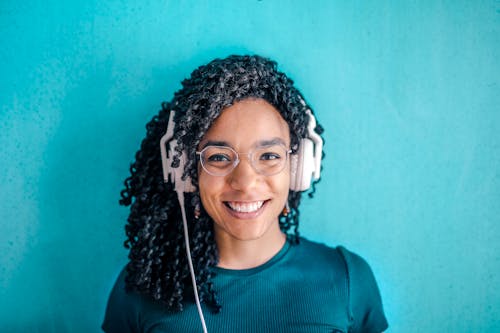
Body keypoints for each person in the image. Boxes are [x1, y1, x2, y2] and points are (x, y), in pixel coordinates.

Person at [102, 55, 388, 333]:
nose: (245, 182)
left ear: (299, 167)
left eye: (269, 155)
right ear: (186, 172)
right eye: (218, 158)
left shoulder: (347, 278)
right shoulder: (142, 286)